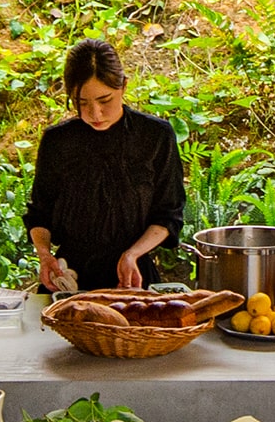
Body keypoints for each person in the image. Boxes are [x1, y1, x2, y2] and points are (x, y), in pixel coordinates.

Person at [25, 39, 189, 294]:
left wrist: (132, 254)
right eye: (83, 103)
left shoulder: (155, 136)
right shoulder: (57, 142)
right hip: (69, 281)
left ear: (123, 86)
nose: (96, 114)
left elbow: (169, 215)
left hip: (133, 278)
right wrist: (45, 256)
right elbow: (40, 214)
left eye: (105, 100)